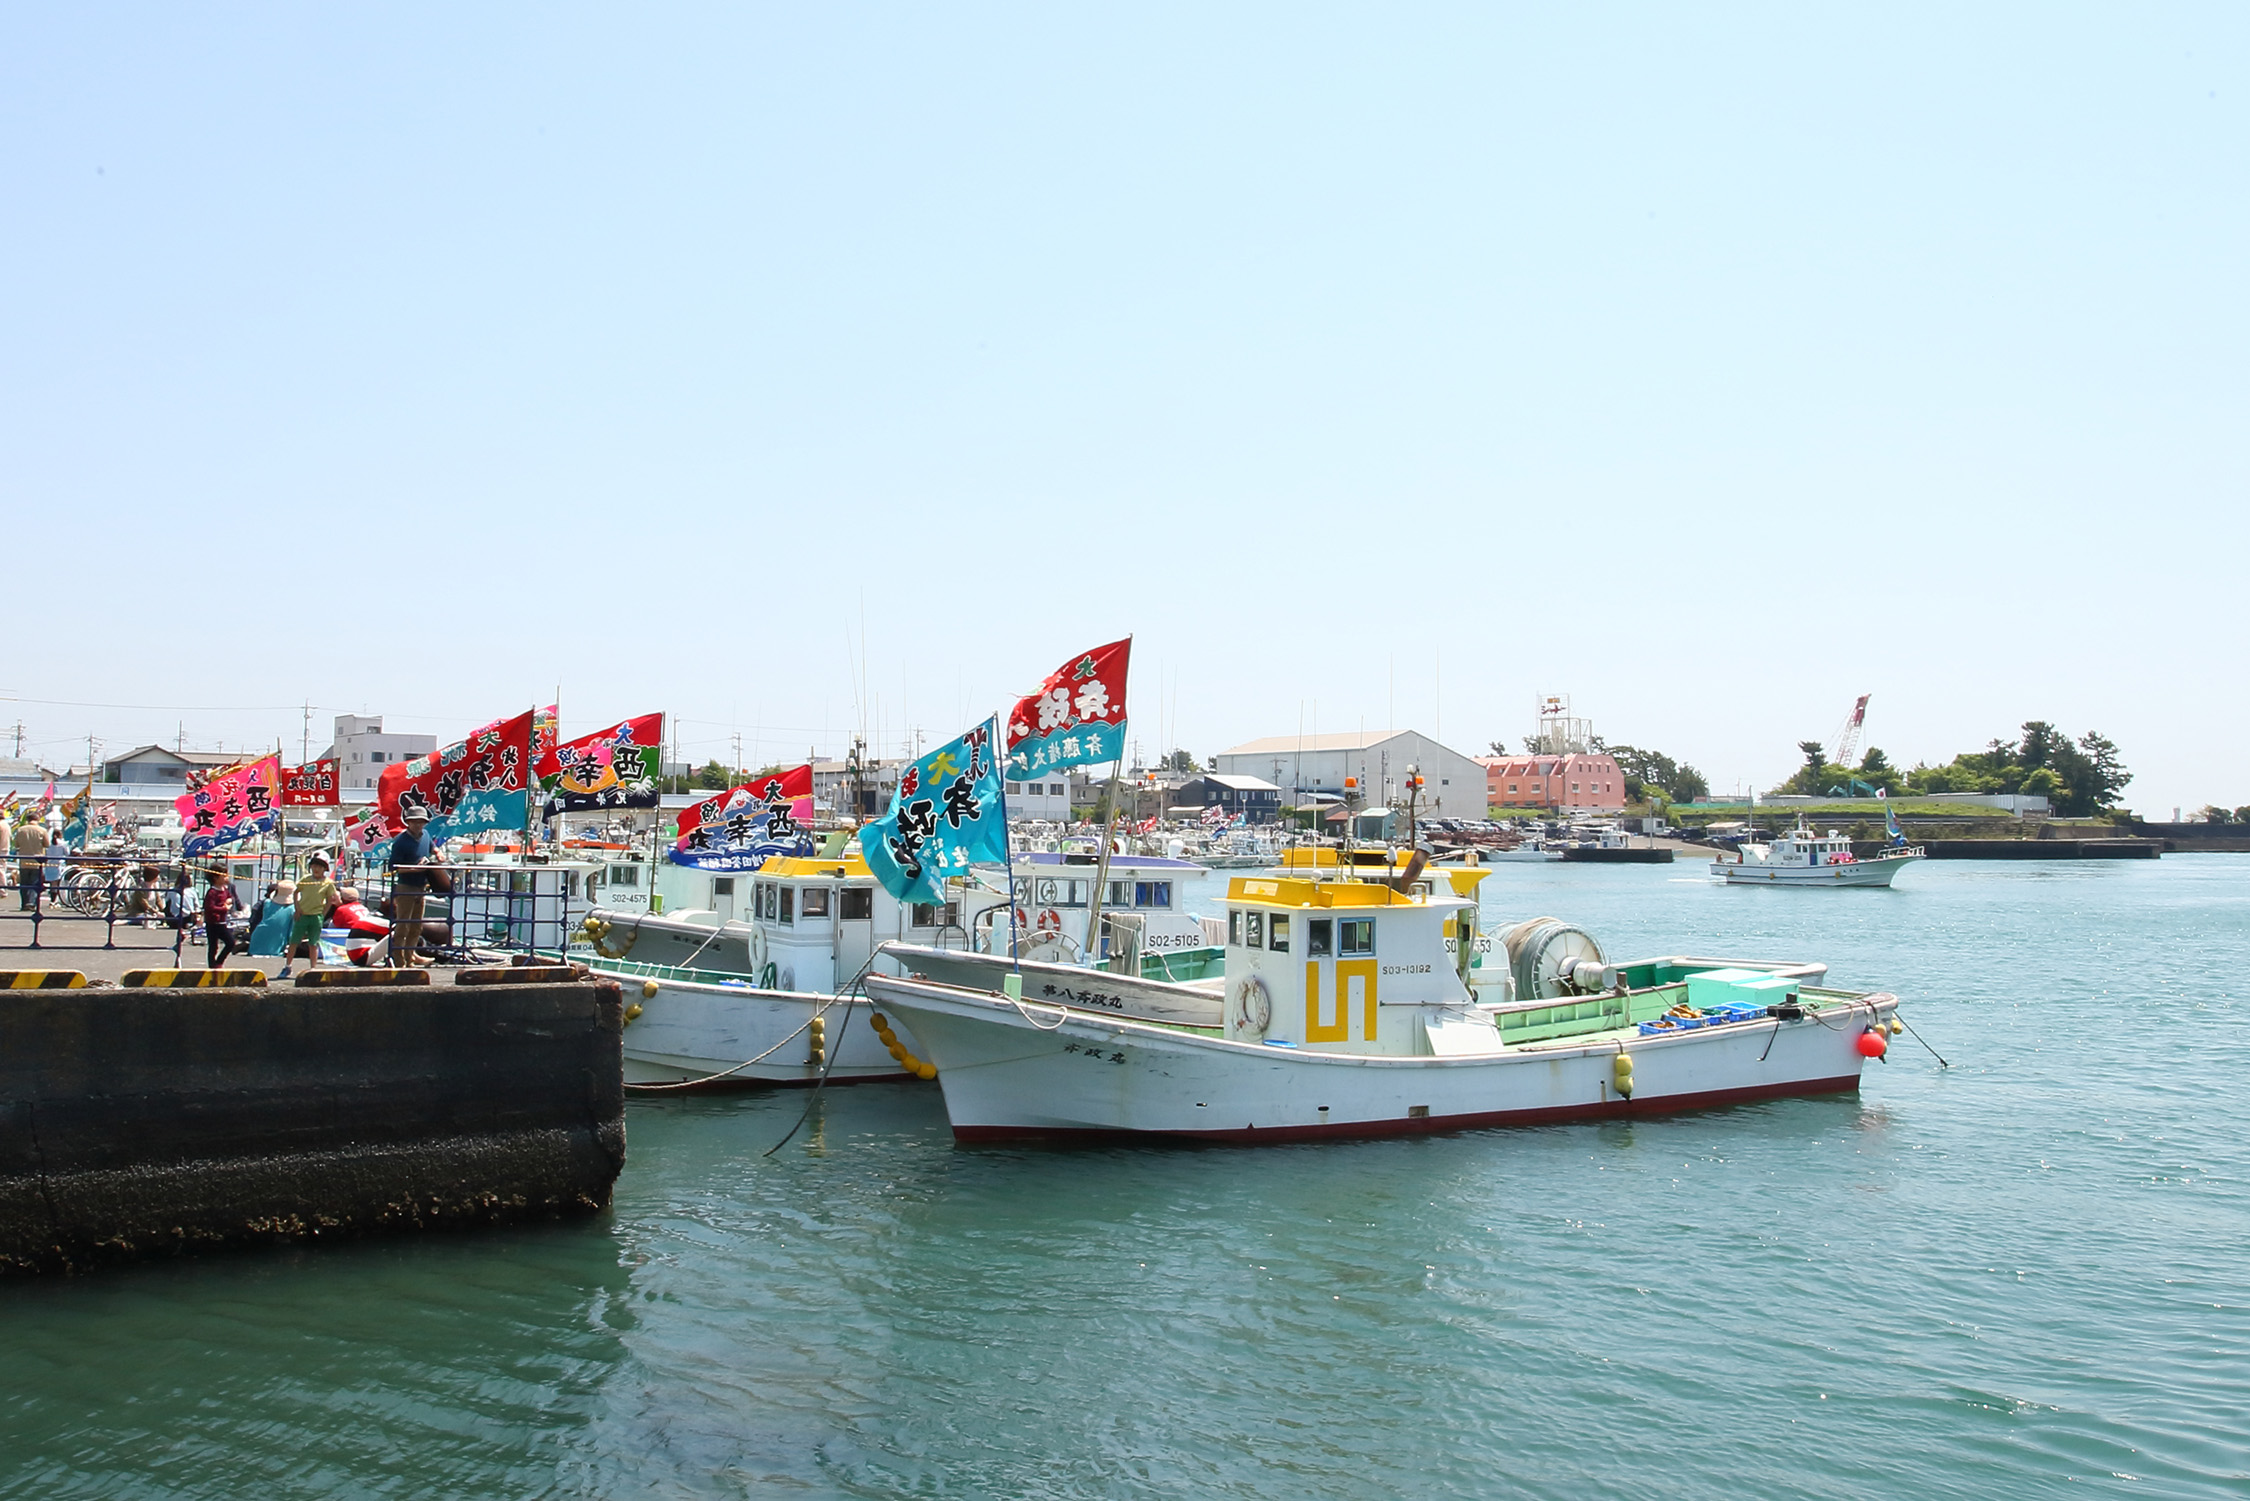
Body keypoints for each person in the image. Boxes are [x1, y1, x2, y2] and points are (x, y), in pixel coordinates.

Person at [385, 809, 442, 968]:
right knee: (403, 924)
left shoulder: (426, 835)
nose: (418, 825)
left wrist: (438, 853)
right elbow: (394, 868)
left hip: (421, 886)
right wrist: (415, 868)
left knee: (416, 926)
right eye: (415, 822)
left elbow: (432, 847)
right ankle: (399, 959)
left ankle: (409, 957)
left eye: (421, 822)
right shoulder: (401, 841)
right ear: (408, 822)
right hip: (406, 886)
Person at [283, 854, 339, 978]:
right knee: (294, 941)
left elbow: (330, 900)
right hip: (303, 914)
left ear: (324, 869)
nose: (316, 869)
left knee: (313, 943)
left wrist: (323, 914)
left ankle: (313, 968)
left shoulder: (328, 883)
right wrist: (297, 908)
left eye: (320, 866)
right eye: (314, 866)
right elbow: (296, 892)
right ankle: (287, 966)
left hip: (316, 915)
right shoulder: (306, 879)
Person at [202, 866, 240, 969]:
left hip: (222, 922)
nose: (226, 878)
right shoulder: (212, 892)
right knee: (213, 945)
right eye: (224, 875)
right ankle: (213, 965)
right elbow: (209, 907)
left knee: (230, 942)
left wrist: (229, 901)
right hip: (212, 923)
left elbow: (230, 897)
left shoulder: (225, 889)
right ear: (215, 878)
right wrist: (224, 909)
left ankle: (219, 962)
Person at [12, 817, 48, 911]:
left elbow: (16, 844)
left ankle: (24, 903)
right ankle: (31, 903)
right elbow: (47, 844)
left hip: (24, 860)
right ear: (37, 819)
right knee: (35, 883)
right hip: (37, 861)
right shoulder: (42, 830)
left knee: (24, 883)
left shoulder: (21, 830)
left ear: (28, 820)